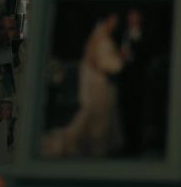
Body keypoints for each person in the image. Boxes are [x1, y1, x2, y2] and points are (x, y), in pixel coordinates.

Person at [41, 13, 125, 158]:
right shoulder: (102, 39)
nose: (115, 25)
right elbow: (105, 63)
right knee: (97, 116)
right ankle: (93, 148)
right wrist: (120, 61)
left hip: (98, 82)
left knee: (98, 115)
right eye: (114, 21)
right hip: (98, 83)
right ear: (108, 20)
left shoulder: (99, 37)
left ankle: (94, 147)